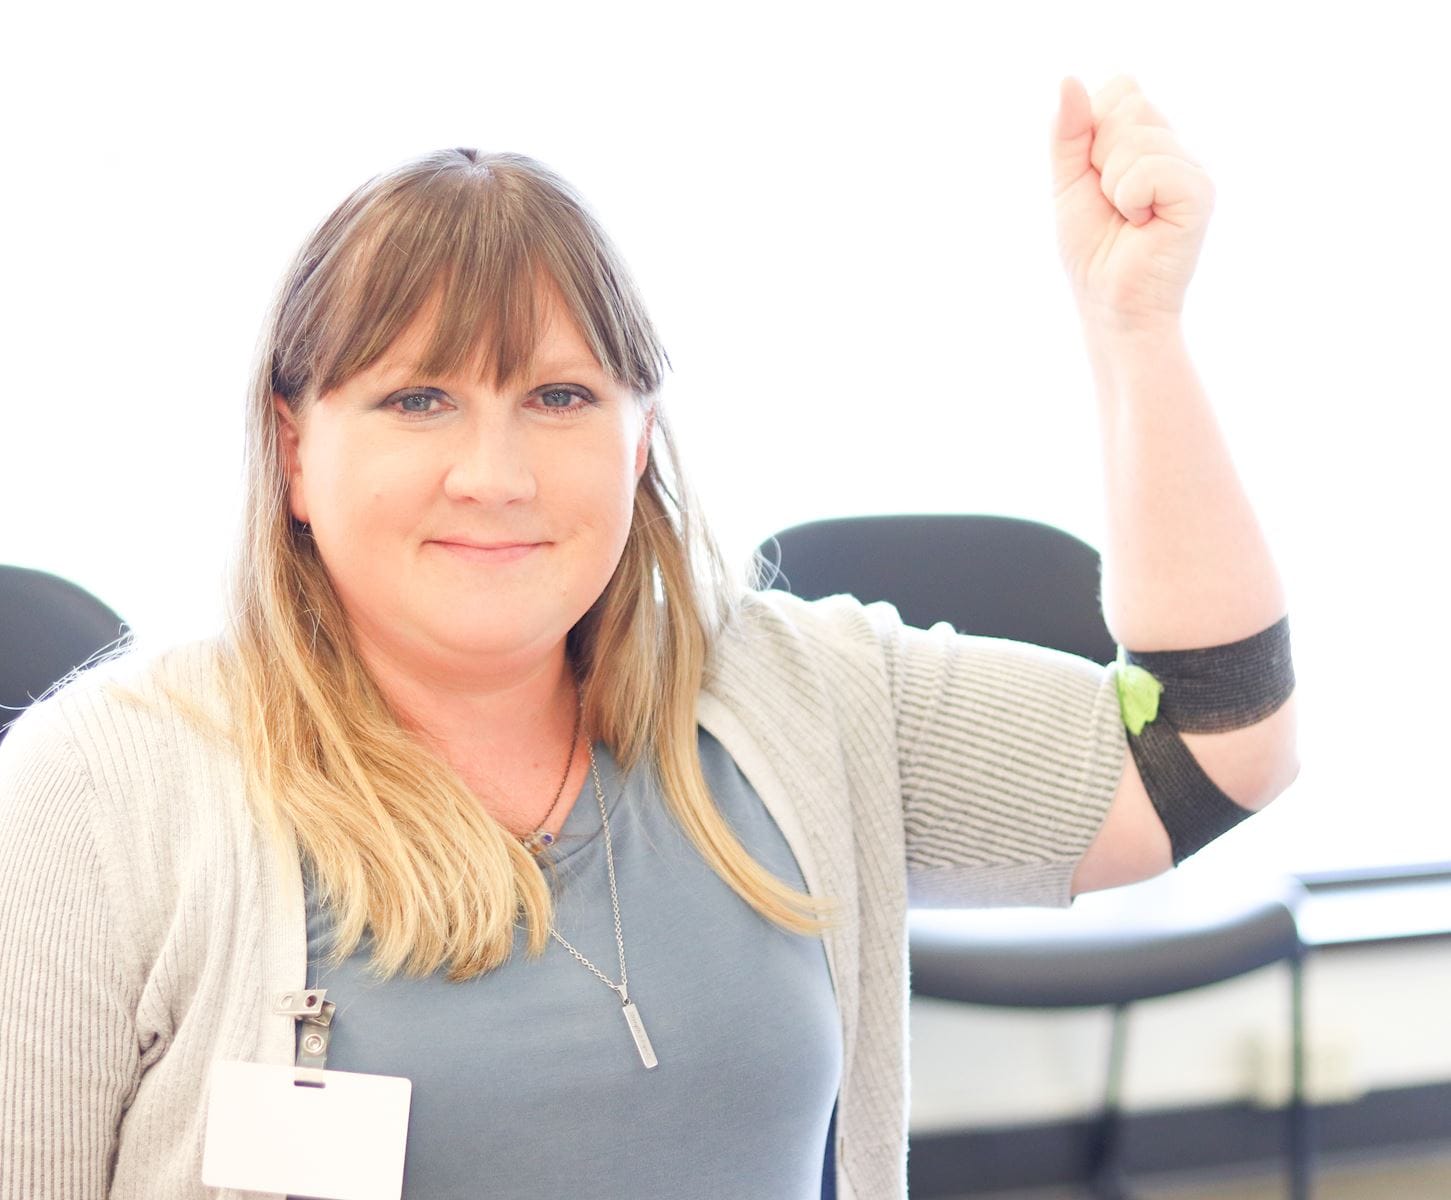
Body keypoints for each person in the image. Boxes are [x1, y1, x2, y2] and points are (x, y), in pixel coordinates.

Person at [0, 73, 1297, 1200]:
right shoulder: (100, 793)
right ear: (293, 448)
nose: (492, 472)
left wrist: (1138, 334)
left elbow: (1207, 755)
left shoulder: (801, 694)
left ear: (641, 437)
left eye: (559, 395)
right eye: (419, 399)